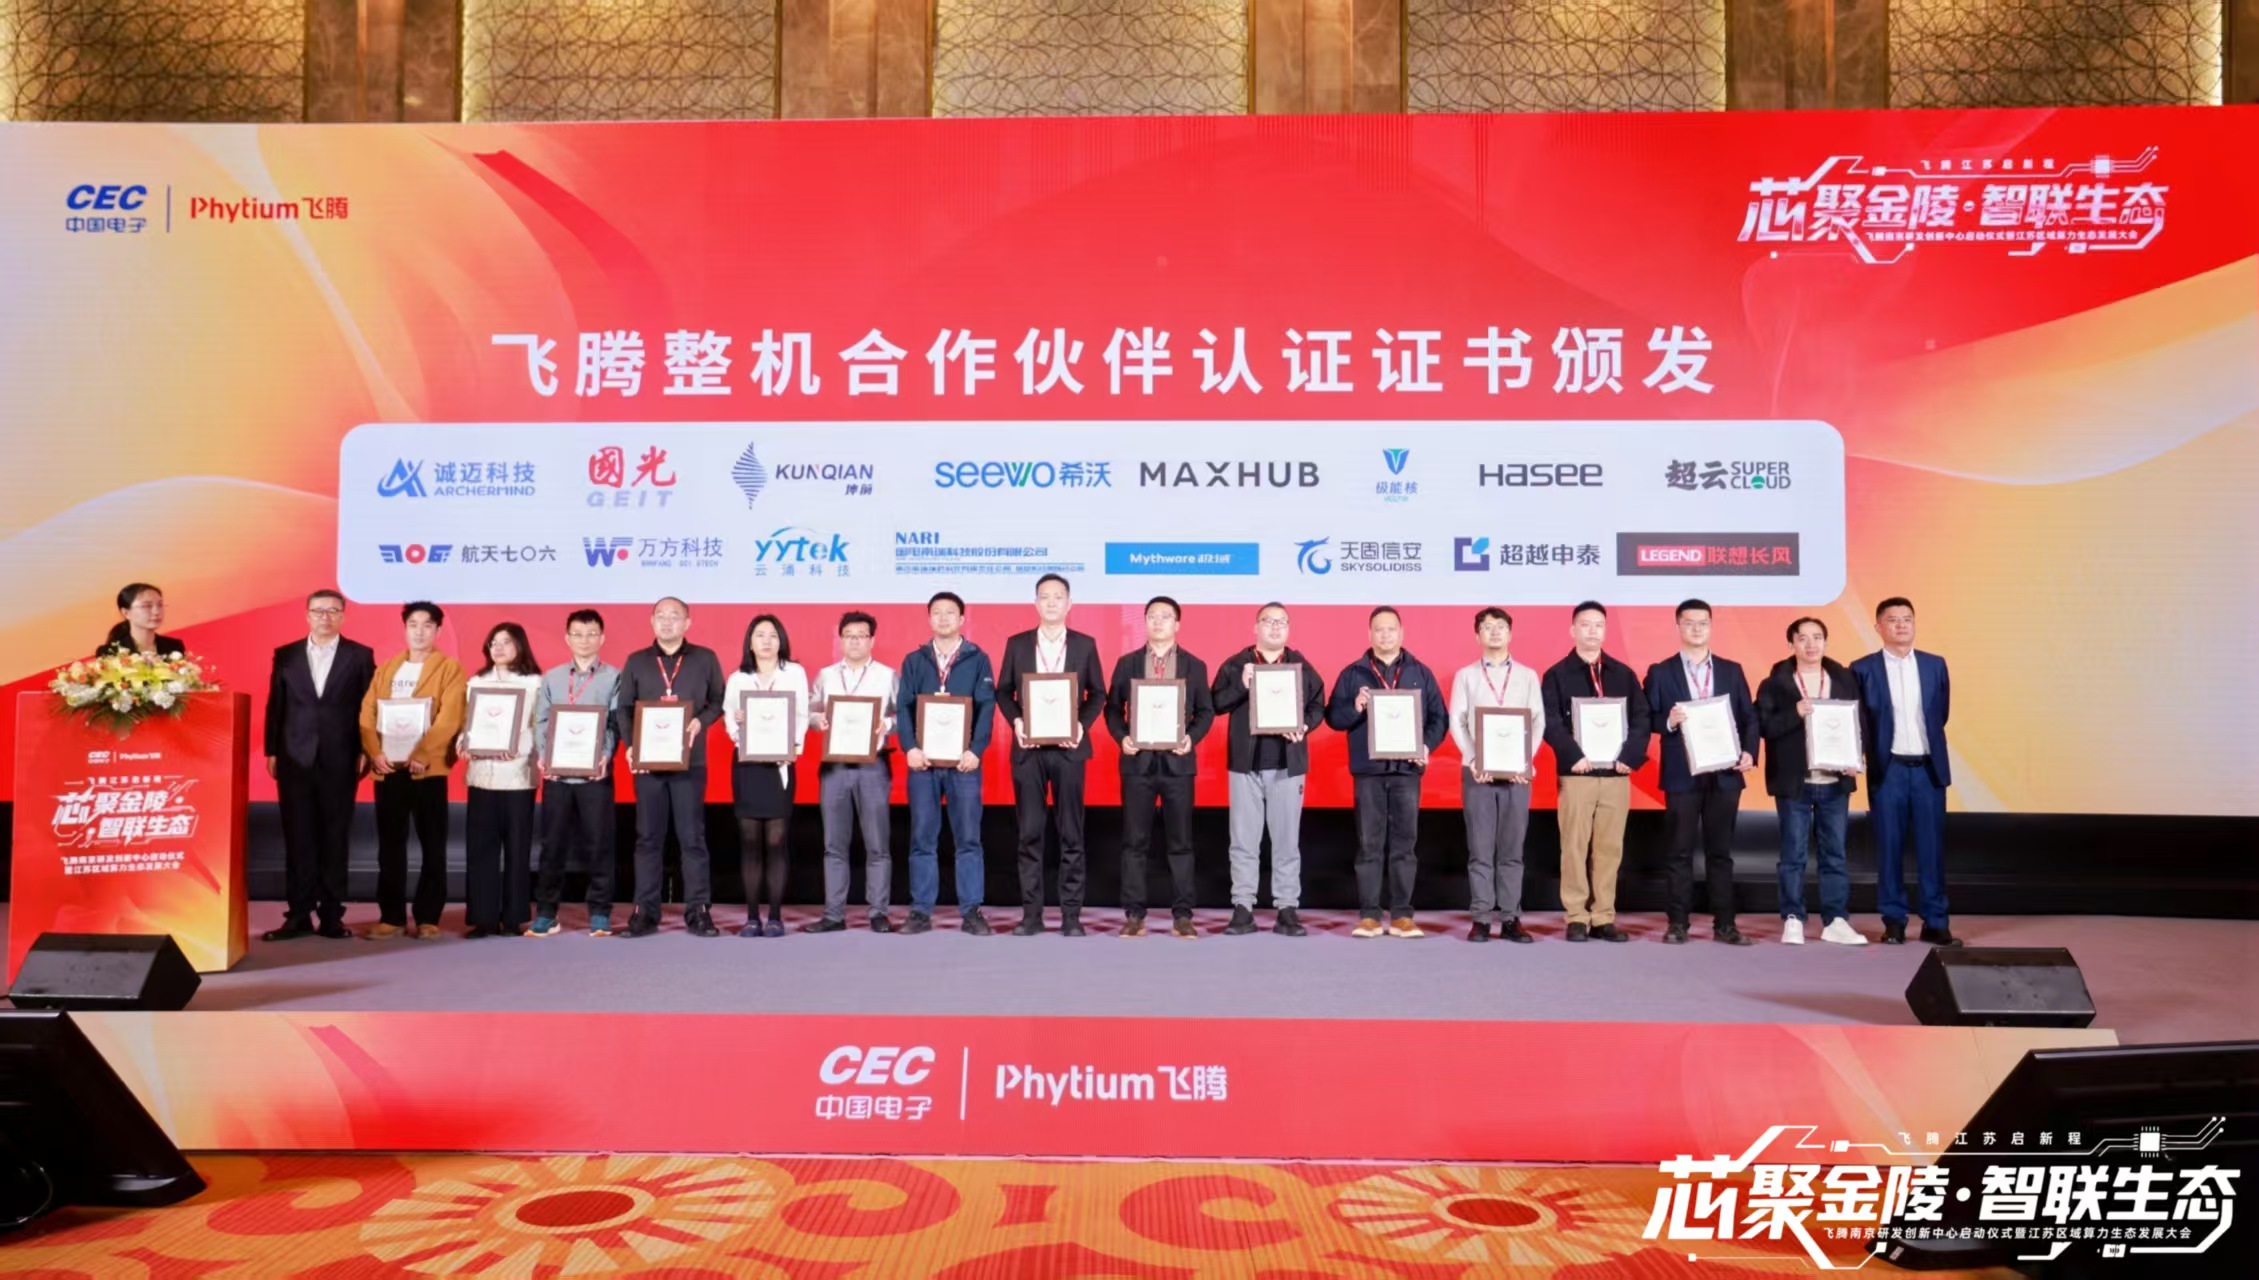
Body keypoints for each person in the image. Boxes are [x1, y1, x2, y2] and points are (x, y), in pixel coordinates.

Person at [1326, 606, 1449, 939]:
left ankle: (1402, 916)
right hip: (1368, 771)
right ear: (1370, 634)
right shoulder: (1353, 673)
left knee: (1404, 844)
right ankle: (1369, 915)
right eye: (1378, 629)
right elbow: (1333, 717)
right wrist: (1355, 706)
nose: (1385, 634)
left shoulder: (1420, 672)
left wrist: (1426, 745)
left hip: (1407, 770)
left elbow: (1440, 718)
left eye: (1390, 629)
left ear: (1401, 633)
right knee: (1369, 844)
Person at [994, 573, 1106, 937]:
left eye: (1058, 596)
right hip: (1029, 750)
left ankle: (1071, 917)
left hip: (1069, 751)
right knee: (1029, 833)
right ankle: (1032, 916)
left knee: (1071, 834)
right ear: (1036, 603)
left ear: (1069, 604)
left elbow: (1098, 694)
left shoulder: (1085, 645)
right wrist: (1017, 722)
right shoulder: (1017, 644)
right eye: (1045, 596)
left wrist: (1081, 725)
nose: (1052, 602)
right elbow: (1003, 692)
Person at [261, 589, 375, 941]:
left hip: (342, 757)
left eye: (333, 611)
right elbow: (276, 705)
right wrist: (272, 750)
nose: (325, 617)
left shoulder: (360, 655)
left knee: (335, 837)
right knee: (298, 837)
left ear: (343, 615)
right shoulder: (287, 654)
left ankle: (331, 915)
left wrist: (366, 749)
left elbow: (368, 707)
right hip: (294, 756)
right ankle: (297, 915)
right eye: (318, 611)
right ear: (307, 615)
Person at [1645, 598, 1759, 946]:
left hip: (1725, 772)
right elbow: (1646, 718)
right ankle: (1677, 923)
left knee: (1720, 852)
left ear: (1711, 626)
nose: (1696, 628)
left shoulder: (1731, 670)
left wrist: (1749, 751)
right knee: (1679, 852)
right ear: (1678, 626)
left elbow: (1749, 717)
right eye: (1689, 622)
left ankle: (1725, 925)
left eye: (1703, 622)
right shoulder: (1660, 672)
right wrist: (1668, 720)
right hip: (1682, 773)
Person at [611, 597, 727, 938]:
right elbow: (624, 708)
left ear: (687, 622)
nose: (667, 621)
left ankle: (699, 910)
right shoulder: (636, 661)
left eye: (674, 616)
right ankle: (644, 912)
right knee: (648, 838)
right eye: (660, 615)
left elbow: (718, 701)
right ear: (651, 621)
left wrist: (700, 722)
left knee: (692, 838)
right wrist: (631, 747)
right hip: (648, 763)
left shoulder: (705, 658)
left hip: (690, 762)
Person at [1209, 602, 1326, 937]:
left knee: (1287, 841)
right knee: (1243, 840)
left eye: (1281, 622)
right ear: (1255, 627)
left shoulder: (1300, 665)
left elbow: (1318, 705)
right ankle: (1242, 907)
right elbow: (1215, 704)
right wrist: (1241, 684)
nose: (1275, 627)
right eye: (1268, 621)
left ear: (1288, 628)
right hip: (1244, 764)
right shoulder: (1237, 664)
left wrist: (1304, 726)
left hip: (1288, 764)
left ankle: (1286, 908)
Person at [1850, 597, 1960, 947]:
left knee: (1932, 848)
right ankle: (1894, 921)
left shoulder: (1934, 665)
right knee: (1889, 846)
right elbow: (1860, 720)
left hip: (1928, 769)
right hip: (1889, 769)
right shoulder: (1862, 669)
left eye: (1907, 619)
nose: (1901, 625)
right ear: (1878, 627)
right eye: (1893, 619)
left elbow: (1940, 713)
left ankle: (1936, 921)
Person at [1103, 596, 1216, 939]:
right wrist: (1121, 737)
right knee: (1134, 843)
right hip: (1137, 763)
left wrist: (1191, 739)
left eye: (1165, 616)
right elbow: (1112, 709)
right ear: (1145, 622)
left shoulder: (1195, 666)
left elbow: (1205, 711)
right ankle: (1134, 915)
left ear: (1177, 624)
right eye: (1152, 616)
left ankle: (1182, 915)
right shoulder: (1127, 663)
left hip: (1178, 764)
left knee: (1180, 843)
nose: (1158, 621)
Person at [1539, 602, 1650, 942]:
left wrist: (1629, 756)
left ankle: (1603, 915)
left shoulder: (1623, 674)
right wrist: (1572, 755)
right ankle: (1576, 915)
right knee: (1573, 846)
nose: (1592, 630)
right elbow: (1549, 721)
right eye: (1585, 624)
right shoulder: (1557, 675)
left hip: (1616, 774)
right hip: (1577, 775)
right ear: (1572, 630)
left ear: (1605, 630)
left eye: (1598, 625)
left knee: (1609, 848)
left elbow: (1641, 719)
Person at [355, 601, 465, 940]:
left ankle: (428, 917)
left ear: (438, 630)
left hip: (427, 771)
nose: (419, 631)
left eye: (427, 625)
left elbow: (450, 717)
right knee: (390, 845)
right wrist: (374, 752)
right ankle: (391, 916)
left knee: (433, 845)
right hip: (388, 769)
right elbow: (367, 713)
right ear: (404, 629)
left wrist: (424, 752)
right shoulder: (388, 668)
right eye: (413, 624)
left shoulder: (449, 668)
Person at [1757, 617, 1865, 947]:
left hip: (1835, 780)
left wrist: (1856, 756)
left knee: (1835, 854)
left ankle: (1835, 920)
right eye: (1803, 638)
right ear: (1791, 644)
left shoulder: (1844, 679)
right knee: (1793, 854)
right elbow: (1764, 727)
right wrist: (1796, 712)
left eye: (1817, 637)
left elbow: (1858, 721)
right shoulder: (1774, 683)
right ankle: (1793, 917)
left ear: (1826, 642)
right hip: (1795, 781)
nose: (1811, 644)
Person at [895, 591, 996, 936]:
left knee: (968, 838)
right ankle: (920, 911)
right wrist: (909, 747)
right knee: (922, 837)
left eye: (950, 612)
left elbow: (986, 707)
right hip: (923, 763)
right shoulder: (914, 660)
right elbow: (904, 706)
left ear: (962, 619)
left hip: (964, 763)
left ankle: (972, 911)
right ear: (929, 619)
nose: (943, 618)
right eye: (936, 612)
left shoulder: (978, 658)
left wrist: (976, 750)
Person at [1448, 607, 1544, 944]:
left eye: (1500, 626)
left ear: (1510, 633)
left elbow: (1538, 721)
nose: (1494, 632)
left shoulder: (1528, 676)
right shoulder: (1466, 676)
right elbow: (1457, 720)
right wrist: (1474, 758)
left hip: (1517, 774)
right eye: (1487, 627)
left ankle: (1511, 918)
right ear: (1477, 635)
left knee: (1512, 850)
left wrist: (1524, 760)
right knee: (1480, 849)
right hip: (1478, 772)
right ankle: (1480, 918)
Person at [529, 610, 620, 937]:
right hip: (558, 777)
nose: (585, 640)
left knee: (599, 844)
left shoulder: (614, 677)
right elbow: (541, 720)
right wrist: (545, 755)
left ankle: (600, 911)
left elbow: (614, 724)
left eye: (591, 633)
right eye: (578, 634)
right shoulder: (552, 677)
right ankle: (547, 912)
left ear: (602, 638)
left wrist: (605, 756)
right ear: (567, 638)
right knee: (552, 845)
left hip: (595, 775)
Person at [722, 614, 811, 938]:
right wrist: (738, 724)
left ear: (781, 640)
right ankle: (751, 917)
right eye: (760, 635)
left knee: (776, 841)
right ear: (750, 642)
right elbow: (728, 717)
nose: (767, 641)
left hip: (780, 765)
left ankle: (774, 916)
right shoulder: (738, 679)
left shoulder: (795, 673)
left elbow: (801, 714)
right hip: (748, 764)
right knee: (749, 842)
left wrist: (792, 747)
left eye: (772, 635)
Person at [807, 611, 896, 932]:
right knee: (834, 844)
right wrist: (817, 720)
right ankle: (833, 914)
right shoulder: (826, 676)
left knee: (877, 844)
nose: (855, 641)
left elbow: (906, 716)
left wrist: (888, 723)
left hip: (873, 765)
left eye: (861, 635)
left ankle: (878, 912)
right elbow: (809, 711)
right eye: (849, 635)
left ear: (872, 640)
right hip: (835, 767)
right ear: (841, 639)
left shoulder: (888, 676)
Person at [460, 622, 542, 938]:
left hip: (517, 776)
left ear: (520, 645)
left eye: (506, 642)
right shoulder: (476, 682)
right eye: (493, 642)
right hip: (482, 776)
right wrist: (463, 744)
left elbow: (539, 726)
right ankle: (483, 918)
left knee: (517, 849)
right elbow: (465, 723)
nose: (498, 647)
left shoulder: (535, 684)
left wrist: (517, 746)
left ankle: (513, 918)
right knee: (481, 849)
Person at [100, 582, 186, 658]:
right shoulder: (110, 652)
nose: (156, 612)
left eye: (160, 605)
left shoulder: (174, 646)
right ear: (126, 613)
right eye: (147, 606)